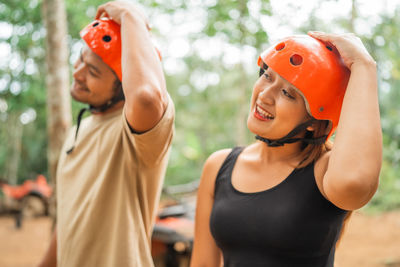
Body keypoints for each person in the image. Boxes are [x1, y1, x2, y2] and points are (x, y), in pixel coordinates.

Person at [190, 32, 381, 267]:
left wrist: (364, 66)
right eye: (267, 77)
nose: (265, 95)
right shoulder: (219, 166)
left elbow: (356, 183)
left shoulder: (324, 172)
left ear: (314, 120)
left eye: (287, 94)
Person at [37, 1, 174, 267]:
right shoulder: (80, 129)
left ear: (123, 88)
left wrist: (132, 16)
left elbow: (146, 97)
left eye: (93, 72)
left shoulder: (139, 136)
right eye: (80, 58)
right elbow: (69, 217)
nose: (77, 73)